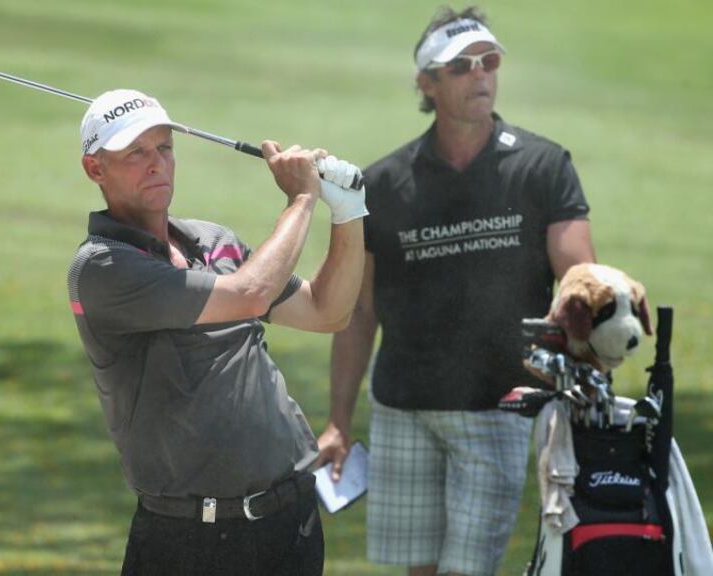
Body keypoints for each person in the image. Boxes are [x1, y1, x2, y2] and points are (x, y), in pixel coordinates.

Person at [315, 6, 597, 576]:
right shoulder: (386, 184)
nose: (480, 75)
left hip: (496, 407)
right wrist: (339, 420)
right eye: (461, 66)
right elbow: (358, 311)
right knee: (420, 571)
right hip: (402, 408)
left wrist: (582, 386)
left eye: (488, 61)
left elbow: (579, 290)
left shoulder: (543, 166)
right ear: (426, 83)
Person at [67, 88, 367, 576]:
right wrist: (303, 198)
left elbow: (327, 312)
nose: (156, 164)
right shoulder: (104, 267)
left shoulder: (212, 240)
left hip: (289, 523)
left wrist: (349, 212)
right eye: (135, 153)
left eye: (164, 147)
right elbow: (250, 293)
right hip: (189, 539)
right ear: (94, 169)